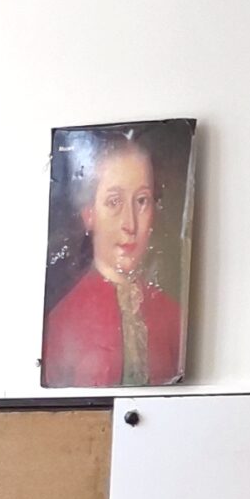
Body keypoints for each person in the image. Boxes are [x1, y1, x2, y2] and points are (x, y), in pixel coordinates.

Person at [41, 133, 184, 389]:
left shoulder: (174, 318)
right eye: (114, 202)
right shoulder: (61, 322)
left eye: (141, 201)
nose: (130, 224)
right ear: (89, 214)